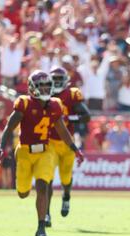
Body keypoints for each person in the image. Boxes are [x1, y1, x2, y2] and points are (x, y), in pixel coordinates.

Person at [0, 70, 84, 236]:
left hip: (45, 151)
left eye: (47, 86)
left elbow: (62, 130)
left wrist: (74, 148)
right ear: (32, 87)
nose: (44, 90)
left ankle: (41, 227)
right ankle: (31, 203)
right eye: (41, 86)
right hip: (25, 152)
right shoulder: (24, 103)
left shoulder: (55, 105)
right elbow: (9, 127)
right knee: (22, 192)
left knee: (43, 185)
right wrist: (1, 147)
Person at [46, 66, 91, 227]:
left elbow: (86, 116)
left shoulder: (72, 94)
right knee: (47, 179)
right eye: (54, 79)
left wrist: (69, 118)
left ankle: (66, 196)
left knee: (65, 178)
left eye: (59, 79)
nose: (56, 82)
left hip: (67, 142)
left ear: (65, 80)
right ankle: (46, 214)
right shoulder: (45, 93)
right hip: (49, 142)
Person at [0, 101, 13, 189]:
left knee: (7, 168)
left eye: (1, 110)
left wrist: (9, 146)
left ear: (4, 110)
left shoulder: (6, 121)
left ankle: (7, 187)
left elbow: (11, 134)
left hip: (5, 148)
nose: (0, 112)